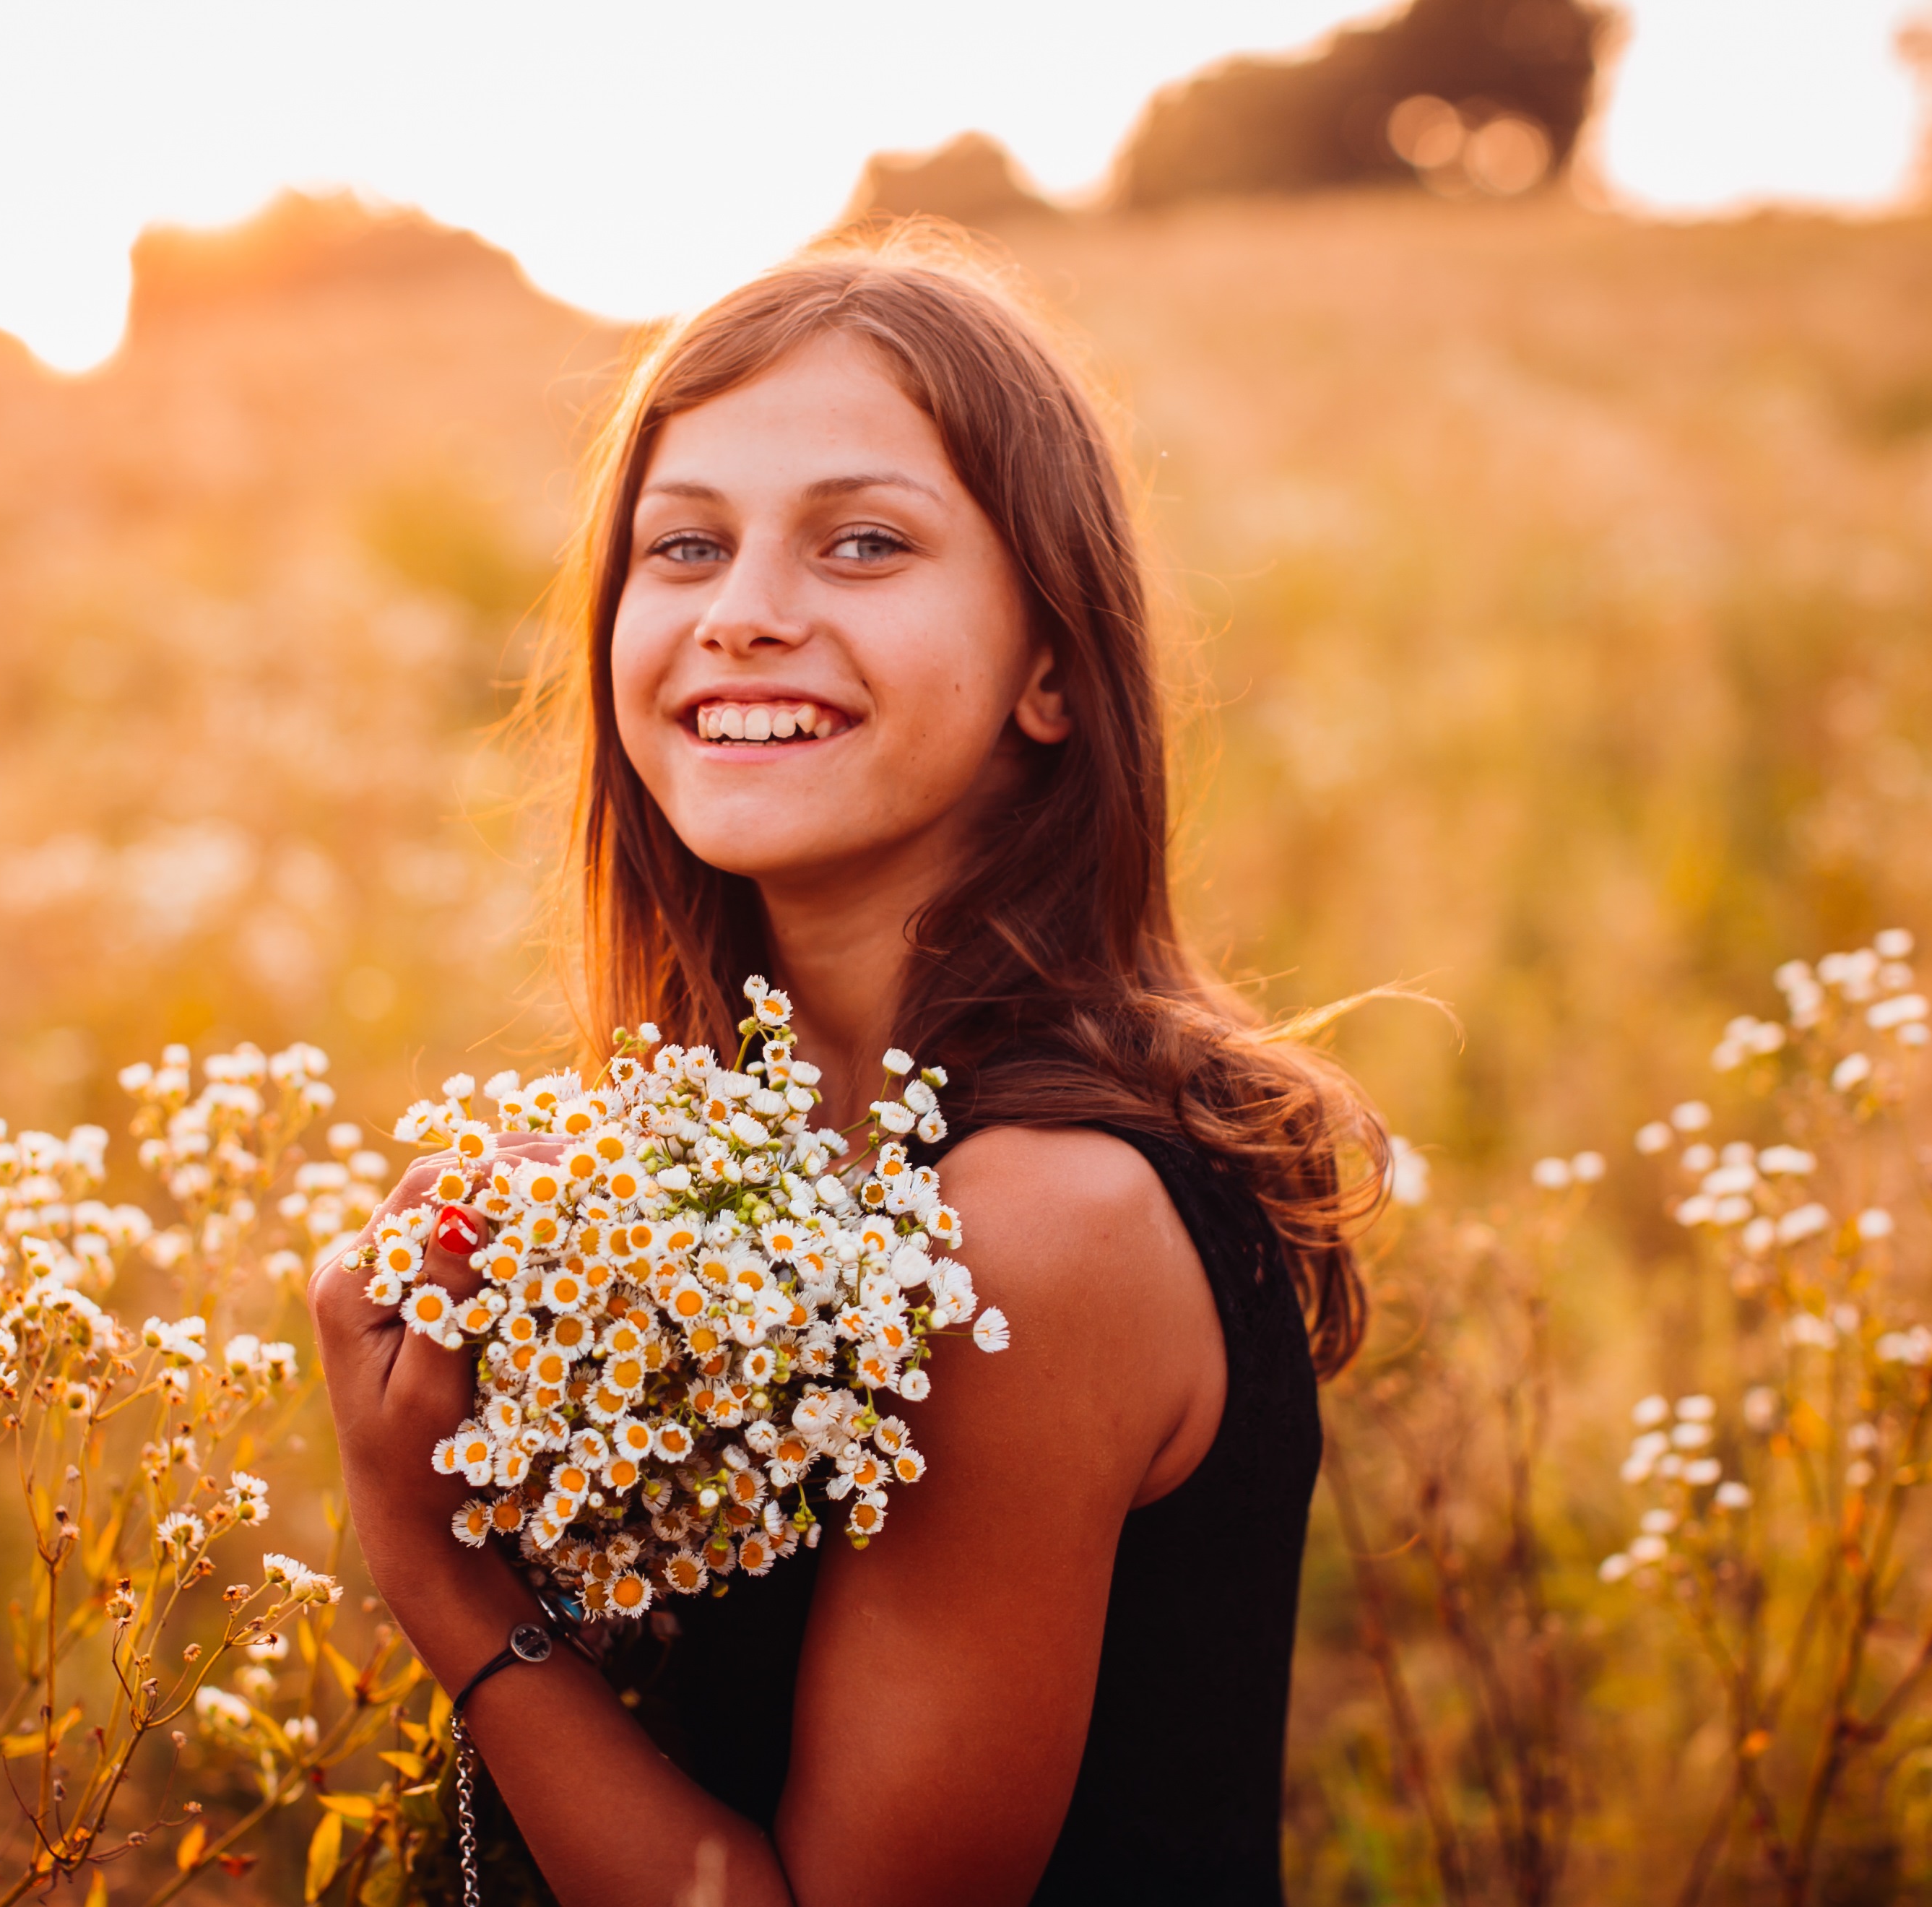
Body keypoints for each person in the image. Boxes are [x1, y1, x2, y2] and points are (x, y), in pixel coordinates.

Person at [310, 228, 1386, 1906]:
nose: (744, 617)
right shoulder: (710, 1158)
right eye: (684, 547)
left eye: (865, 544)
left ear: (1050, 664)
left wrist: (442, 1572)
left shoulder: (1033, 1229)